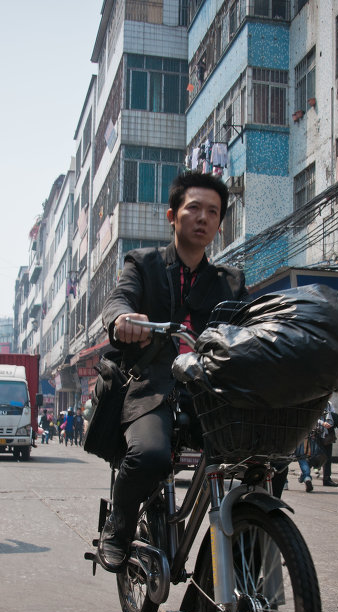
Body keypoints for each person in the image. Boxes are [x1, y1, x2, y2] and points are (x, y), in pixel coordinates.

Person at [97, 172, 250, 572]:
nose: (203, 218)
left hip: (208, 395)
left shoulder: (230, 282)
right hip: (151, 389)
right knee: (149, 456)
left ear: (219, 224)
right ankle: (120, 526)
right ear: (172, 215)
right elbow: (118, 300)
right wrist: (123, 318)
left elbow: (252, 329)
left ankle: (252, 547)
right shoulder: (143, 264)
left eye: (213, 212)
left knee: (265, 456)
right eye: (193, 208)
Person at [317, 400, 338, 488]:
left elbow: (333, 414)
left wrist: (333, 421)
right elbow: (312, 417)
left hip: (328, 434)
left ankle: (327, 479)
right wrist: (322, 423)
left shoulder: (329, 404)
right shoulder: (317, 402)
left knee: (328, 457)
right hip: (317, 433)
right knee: (315, 455)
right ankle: (306, 474)